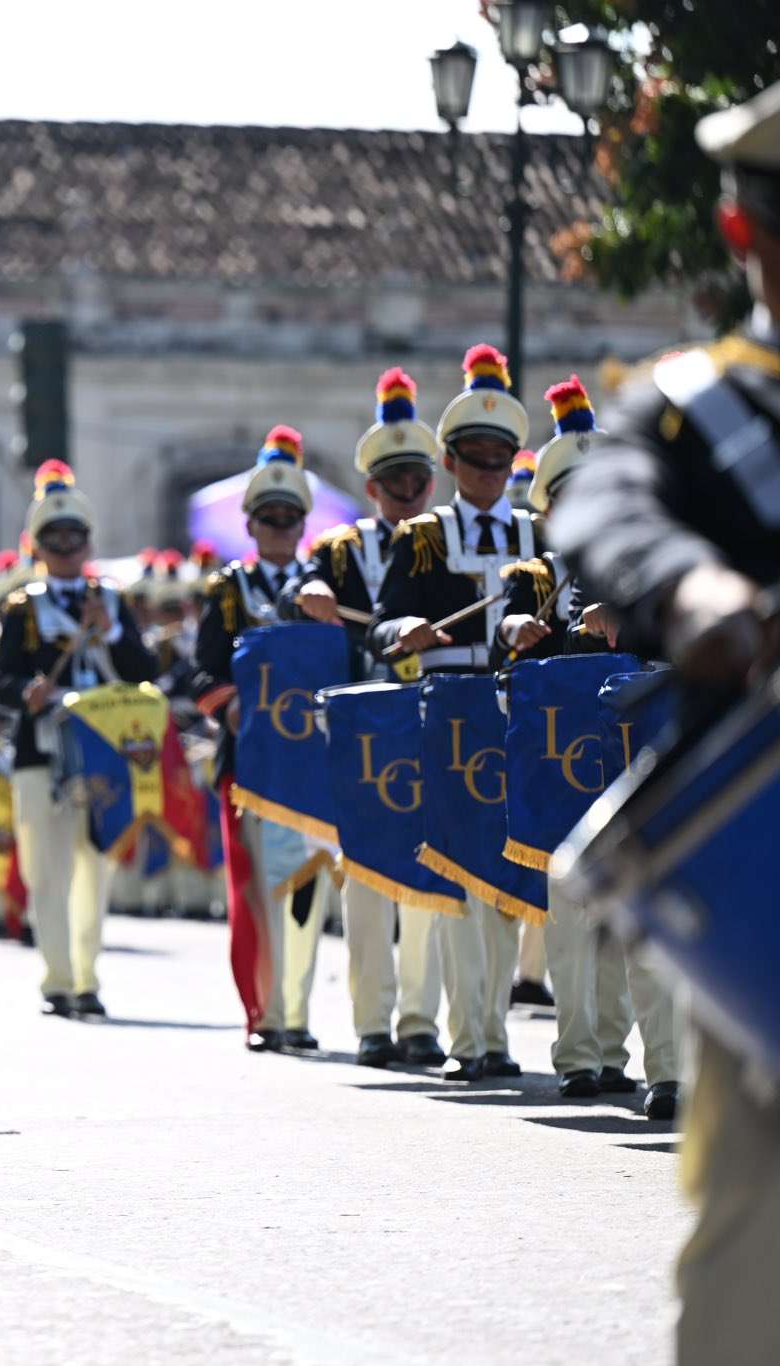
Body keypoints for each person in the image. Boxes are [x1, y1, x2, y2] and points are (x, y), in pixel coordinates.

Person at [551, 84, 780, 1365]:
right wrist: (693, 587)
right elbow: (605, 508)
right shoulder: (691, 407)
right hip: (771, 862)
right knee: (752, 1242)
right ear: (741, 234)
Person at [499, 376, 681, 1112]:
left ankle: (668, 1069)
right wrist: (514, 634)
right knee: (571, 926)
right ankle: (584, 1056)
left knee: (647, 919)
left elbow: (681, 645)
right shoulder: (527, 580)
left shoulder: (651, 569)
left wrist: (629, 620)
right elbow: (499, 670)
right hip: (556, 770)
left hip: (639, 763)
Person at [369, 347, 543, 1082]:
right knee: (458, 876)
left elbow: (556, 623)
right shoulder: (421, 536)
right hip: (447, 714)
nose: (487, 471)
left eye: (499, 459)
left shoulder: (541, 538)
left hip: (520, 718)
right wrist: (399, 636)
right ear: (448, 459)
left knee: (505, 885)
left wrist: (529, 632)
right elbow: (383, 622)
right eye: (473, 458)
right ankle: (469, 1038)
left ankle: (493, 1031)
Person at [285, 369, 446, 1069]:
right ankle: (373, 1022)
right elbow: (299, 587)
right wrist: (313, 588)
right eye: (393, 482)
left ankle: (420, 1021)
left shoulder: (448, 542)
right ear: (371, 487)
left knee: (434, 870)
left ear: (430, 483)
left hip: (437, 719)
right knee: (367, 878)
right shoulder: (341, 547)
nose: (407, 493)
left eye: (417, 480)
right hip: (361, 724)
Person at [0, 461, 159, 1018]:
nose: (66, 547)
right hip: (43, 751)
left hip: (103, 751)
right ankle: (57, 979)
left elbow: (144, 668)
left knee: (97, 867)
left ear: (88, 542)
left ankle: (88, 978)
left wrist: (108, 631)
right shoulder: (22, 607)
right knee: (49, 870)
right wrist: (26, 692)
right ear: (38, 546)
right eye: (54, 539)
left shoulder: (111, 603)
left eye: (75, 538)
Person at [193, 428, 332, 1051]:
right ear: (249, 526)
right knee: (252, 886)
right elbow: (201, 670)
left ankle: (295, 1011)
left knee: (308, 883)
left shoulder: (328, 583)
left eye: (289, 518)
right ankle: (262, 1012)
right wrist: (230, 705)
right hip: (248, 760)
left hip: (312, 761)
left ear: (303, 523)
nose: (279, 528)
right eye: (268, 519)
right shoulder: (228, 591)